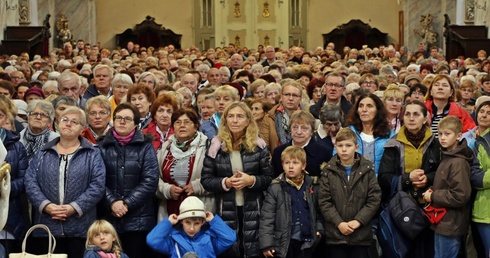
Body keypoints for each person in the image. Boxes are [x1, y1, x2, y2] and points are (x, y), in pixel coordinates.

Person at [25, 107, 106, 258]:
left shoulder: (93, 153)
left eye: (74, 121)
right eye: (65, 120)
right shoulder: (43, 152)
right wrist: (46, 206)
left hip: (80, 227)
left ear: (83, 129)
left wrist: (73, 208)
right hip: (47, 226)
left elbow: (98, 185)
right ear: (57, 124)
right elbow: (30, 182)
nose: (68, 124)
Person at [201, 102, 273, 258]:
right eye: (231, 116)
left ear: (248, 121)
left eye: (239, 116)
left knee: (251, 251)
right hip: (225, 210)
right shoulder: (215, 146)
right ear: (225, 120)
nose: (234, 120)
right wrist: (225, 182)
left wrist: (251, 180)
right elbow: (206, 180)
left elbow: (268, 179)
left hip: (254, 210)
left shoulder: (258, 146)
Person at [378, 101, 442, 258]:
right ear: (402, 117)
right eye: (407, 114)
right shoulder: (392, 144)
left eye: (416, 114)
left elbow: (444, 172)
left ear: (425, 118)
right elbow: (383, 178)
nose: (411, 118)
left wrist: (427, 178)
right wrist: (408, 179)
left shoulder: (437, 143)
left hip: (428, 210)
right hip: (401, 209)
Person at [97, 102, 159, 258]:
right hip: (108, 219)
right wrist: (112, 202)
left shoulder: (145, 146)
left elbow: (150, 180)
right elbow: (96, 180)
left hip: (138, 220)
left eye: (127, 119)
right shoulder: (101, 146)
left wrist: (126, 203)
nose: (122, 121)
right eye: (118, 118)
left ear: (136, 124)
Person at [318, 128, 381, 258]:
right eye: (340, 146)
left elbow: (374, 199)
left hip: (361, 235)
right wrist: (339, 223)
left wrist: (358, 221)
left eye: (348, 145)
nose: (344, 149)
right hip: (336, 235)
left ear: (356, 147)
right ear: (335, 147)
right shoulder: (328, 172)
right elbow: (324, 201)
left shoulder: (367, 170)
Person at [422, 116, 472, 258]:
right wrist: (433, 188)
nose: (442, 138)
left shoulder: (458, 162)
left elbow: (460, 195)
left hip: (451, 224)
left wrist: (433, 196)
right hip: (444, 221)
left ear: (459, 135)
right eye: (440, 134)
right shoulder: (448, 156)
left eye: (447, 134)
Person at [260, 146, 323, 258]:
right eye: (287, 162)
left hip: (307, 241)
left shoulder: (312, 185)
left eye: (295, 163)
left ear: (303, 166)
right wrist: (267, 244)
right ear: (282, 165)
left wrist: (318, 230)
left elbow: (318, 211)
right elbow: (267, 218)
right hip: (285, 242)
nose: (291, 166)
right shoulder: (276, 187)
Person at [156, 108, 214, 221]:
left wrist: (198, 186)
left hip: (200, 209)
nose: (182, 125)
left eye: (187, 122)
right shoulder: (164, 148)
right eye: (178, 122)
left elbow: (216, 177)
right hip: (170, 210)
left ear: (196, 126)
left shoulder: (208, 146)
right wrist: (167, 190)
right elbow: (154, 178)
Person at [147, 196, 236, 258]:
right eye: (187, 222)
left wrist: (213, 220)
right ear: (181, 221)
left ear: (203, 222)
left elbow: (230, 238)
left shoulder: (210, 239)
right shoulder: (173, 241)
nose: (191, 228)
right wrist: (168, 222)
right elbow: (152, 240)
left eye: (196, 223)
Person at [0, 100, 28, 257]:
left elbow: (25, 180)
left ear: (6, 118)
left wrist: (4, 188)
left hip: (9, 215)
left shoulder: (16, 146)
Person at [271, 110, 331, 178]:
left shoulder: (324, 152)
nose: (299, 132)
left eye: (304, 128)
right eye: (295, 127)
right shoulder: (278, 152)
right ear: (290, 129)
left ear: (312, 131)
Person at [345, 93, 394, 175]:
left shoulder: (390, 135)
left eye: (369, 106)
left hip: (381, 184)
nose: (364, 109)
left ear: (377, 110)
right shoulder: (348, 133)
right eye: (361, 106)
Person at [261, 81, 303, 153]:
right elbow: (264, 146)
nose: (290, 98)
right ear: (281, 97)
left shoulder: (307, 118)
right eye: (287, 94)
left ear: (300, 98)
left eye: (295, 95)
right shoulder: (269, 117)